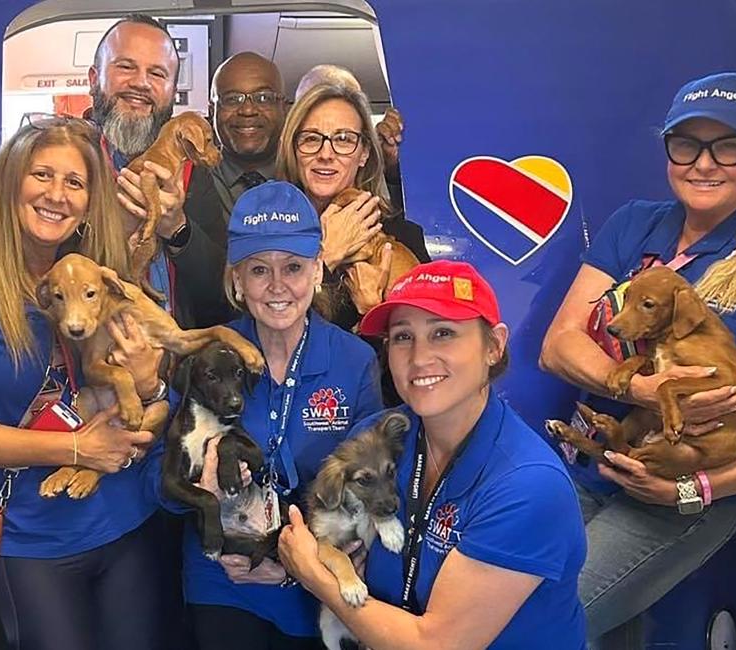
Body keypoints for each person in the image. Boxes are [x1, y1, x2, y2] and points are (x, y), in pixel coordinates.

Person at [539, 71, 736, 646]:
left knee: (543, 625)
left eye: (728, 144)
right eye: (687, 144)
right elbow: (559, 343)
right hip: (592, 463)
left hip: (680, 497)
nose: (704, 163)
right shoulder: (634, 224)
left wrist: (697, 488)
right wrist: (639, 391)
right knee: (512, 601)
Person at [0, 116, 167, 650]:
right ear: (10, 185)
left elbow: (145, 381)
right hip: (29, 541)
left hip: (126, 518)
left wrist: (148, 386)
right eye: (41, 176)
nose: (57, 195)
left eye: (74, 182)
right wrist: (76, 447)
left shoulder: (97, 279)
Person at [279, 260, 588, 649]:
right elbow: (325, 542)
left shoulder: (528, 485)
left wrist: (315, 576)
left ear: (493, 346)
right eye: (402, 336)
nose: (420, 357)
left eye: (443, 333)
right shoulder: (377, 438)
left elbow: (437, 645)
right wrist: (289, 564)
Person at [175, 180, 384, 650]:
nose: (276, 287)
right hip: (223, 576)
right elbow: (162, 484)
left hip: (313, 580)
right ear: (235, 280)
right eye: (258, 270)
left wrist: (298, 566)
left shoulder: (354, 361)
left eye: (292, 267)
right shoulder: (211, 355)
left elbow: (372, 489)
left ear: (316, 270)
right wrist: (198, 493)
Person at [89, 13, 229, 328]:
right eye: (125, 67)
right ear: (93, 78)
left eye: (157, 73)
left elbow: (223, 295)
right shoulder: (71, 163)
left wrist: (177, 227)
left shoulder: (194, 171)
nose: (141, 83)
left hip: (179, 362)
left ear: (171, 91)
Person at [276, 82, 429, 333]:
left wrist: (372, 313)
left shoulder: (404, 236)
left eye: (344, 139)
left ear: (364, 153)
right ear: (294, 148)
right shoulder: (267, 231)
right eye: (312, 139)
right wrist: (326, 256)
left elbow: (425, 348)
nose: (326, 153)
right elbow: (264, 338)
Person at [182, 52, 286, 259]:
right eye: (232, 99)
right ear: (212, 112)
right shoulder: (185, 185)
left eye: (263, 98)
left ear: (284, 107)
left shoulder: (310, 179)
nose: (247, 110)